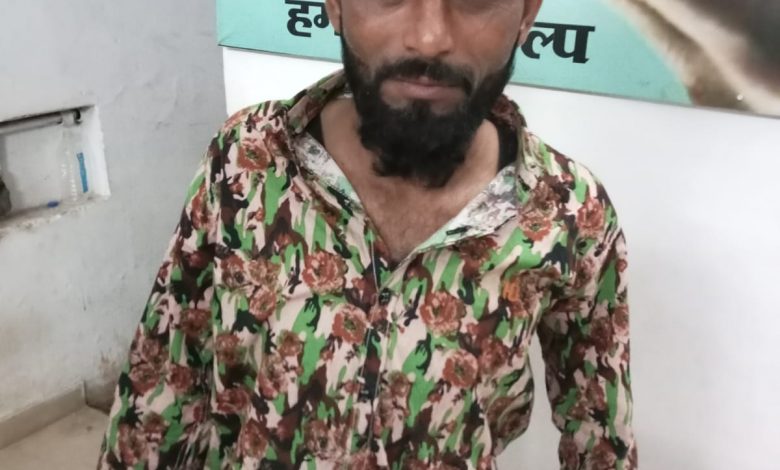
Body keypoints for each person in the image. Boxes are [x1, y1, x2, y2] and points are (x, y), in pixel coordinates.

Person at [98, 0, 637, 468]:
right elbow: (163, 379)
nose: (430, 38)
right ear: (334, 4)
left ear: (527, 14)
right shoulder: (246, 159)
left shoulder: (571, 213)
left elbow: (600, 437)